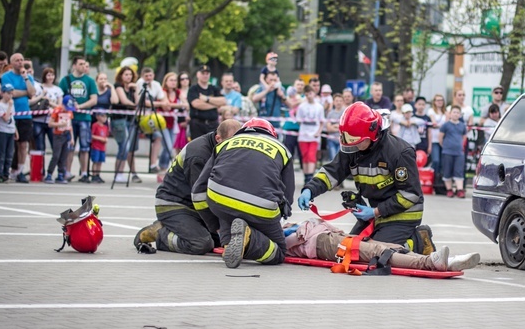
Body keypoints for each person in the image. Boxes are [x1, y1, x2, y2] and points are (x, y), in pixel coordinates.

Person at [298, 102, 428, 250]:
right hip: (377, 213)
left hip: (403, 214)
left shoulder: (399, 152)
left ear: (372, 135)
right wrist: (310, 189)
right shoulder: (354, 145)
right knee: (349, 247)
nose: (350, 145)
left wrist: (375, 212)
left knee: (374, 252)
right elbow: (332, 172)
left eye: (355, 141)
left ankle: (418, 241)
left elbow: (410, 194)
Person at [192, 118, 295, 268]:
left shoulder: (225, 144)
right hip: (261, 206)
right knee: (279, 252)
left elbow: (198, 192)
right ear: (272, 135)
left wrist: (215, 226)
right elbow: (287, 197)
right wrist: (272, 222)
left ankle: (229, 242)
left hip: (221, 200)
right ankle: (250, 238)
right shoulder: (282, 149)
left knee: (227, 208)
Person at [133, 119, 243, 255]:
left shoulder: (220, 147)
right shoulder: (198, 155)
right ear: (218, 138)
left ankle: (182, 229)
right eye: (230, 144)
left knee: (223, 240)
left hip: (193, 205)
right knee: (201, 244)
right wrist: (219, 228)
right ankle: (160, 234)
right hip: (174, 204)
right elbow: (201, 196)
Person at [285, 217, 481, 271]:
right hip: (322, 244)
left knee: (390, 246)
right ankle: (428, 264)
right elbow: (286, 243)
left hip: (337, 238)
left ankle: (444, 261)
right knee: (379, 251)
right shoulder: (280, 232)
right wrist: (300, 231)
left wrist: (308, 223)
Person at [59, 56, 98, 182]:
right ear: (74, 65)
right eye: (80, 64)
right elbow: (60, 97)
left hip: (84, 117)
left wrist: (79, 106)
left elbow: (94, 99)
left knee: (85, 147)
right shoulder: (66, 80)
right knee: (70, 146)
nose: (83, 66)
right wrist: (67, 107)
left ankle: (84, 173)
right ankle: (67, 172)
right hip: (69, 118)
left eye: (84, 64)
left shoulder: (90, 81)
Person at [1, 53, 35, 183]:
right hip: (11, 114)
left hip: (25, 114)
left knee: (23, 144)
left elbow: (32, 93)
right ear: (11, 62)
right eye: (17, 60)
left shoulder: (28, 77)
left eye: (21, 60)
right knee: (11, 145)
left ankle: (20, 171)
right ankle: (7, 170)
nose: (20, 62)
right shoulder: (7, 76)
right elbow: (11, 93)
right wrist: (24, 92)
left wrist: (25, 78)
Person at [136, 67, 170, 173]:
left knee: (158, 137)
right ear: (142, 76)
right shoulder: (140, 83)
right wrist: (160, 103)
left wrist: (164, 102)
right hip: (141, 115)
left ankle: (153, 163)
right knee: (132, 145)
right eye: (146, 76)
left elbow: (163, 98)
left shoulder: (156, 84)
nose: (148, 78)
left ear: (153, 75)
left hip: (151, 115)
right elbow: (143, 102)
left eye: (150, 75)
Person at [111, 66, 140, 183]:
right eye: (126, 74)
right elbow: (124, 101)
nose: (129, 77)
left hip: (131, 120)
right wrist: (134, 105)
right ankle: (118, 173)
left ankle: (122, 173)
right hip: (119, 120)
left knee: (128, 147)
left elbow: (138, 102)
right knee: (124, 146)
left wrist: (136, 89)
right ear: (121, 76)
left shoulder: (133, 88)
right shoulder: (118, 86)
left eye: (130, 75)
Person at [44, 95, 76, 184]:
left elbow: (70, 126)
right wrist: (59, 125)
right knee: (56, 155)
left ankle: (61, 174)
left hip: (66, 135)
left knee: (64, 156)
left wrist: (72, 137)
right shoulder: (57, 111)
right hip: (58, 136)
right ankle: (49, 174)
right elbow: (50, 124)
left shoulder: (70, 112)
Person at [187, 64, 225, 139]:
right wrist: (215, 104)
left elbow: (223, 101)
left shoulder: (214, 88)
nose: (205, 75)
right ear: (198, 74)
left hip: (212, 124)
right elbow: (197, 104)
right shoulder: (193, 89)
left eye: (207, 73)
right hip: (198, 124)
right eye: (203, 73)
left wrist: (207, 99)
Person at [296, 84, 324, 183]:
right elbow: (298, 120)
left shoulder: (319, 107)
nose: (309, 96)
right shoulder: (302, 107)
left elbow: (322, 122)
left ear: (314, 93)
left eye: (310, 93)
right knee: (305, 156)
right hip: (303, 135)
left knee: (312, 155)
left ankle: (310, 177)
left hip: (314, 136)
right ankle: (306, 175)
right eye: (306, 94)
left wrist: (318, 132)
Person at [439, 105, 468, 198]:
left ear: (460, 115)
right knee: (447, 171)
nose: (456, 114)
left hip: (459, 152)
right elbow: (440, 138)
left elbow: (464, 137)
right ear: (450, 114)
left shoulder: (462, 126)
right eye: (454, 112)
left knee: (459, 171)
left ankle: (459, 190)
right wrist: (445, 146)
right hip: (447, 152)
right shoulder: (445, 125)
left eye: (457, 112)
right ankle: (449, 189)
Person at [160, 72, 184, 170]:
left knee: (170, 147)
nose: (173, 82)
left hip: (173, 123)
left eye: (175, 80)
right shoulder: (163, 91)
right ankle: (163, 166)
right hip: (163, 122)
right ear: (166, 81)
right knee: (168, 146)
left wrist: (176, 105)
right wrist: (179, 105)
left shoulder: (178, 92)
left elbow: (185, 104)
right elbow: (166, 106)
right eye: (171, 80)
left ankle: (163, 166)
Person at [36, 67, 64, 153]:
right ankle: (41, 166)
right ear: (44, 76)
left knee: (55, 145)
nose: (51, 77)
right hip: (39, 119)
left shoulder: (57, 90)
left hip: (52, 119)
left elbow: (60, 106)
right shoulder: (39, 87)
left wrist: (50, 102)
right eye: (48, 75)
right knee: (40, 146)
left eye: (52, 75)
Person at [0, 84, 17, 183]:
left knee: (9, 154)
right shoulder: (0, 105)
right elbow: (6, 118)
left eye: (11, 94)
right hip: (2, 131)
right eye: (8, 93)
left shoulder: (11, 104)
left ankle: (6, 174)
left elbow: (12, 119)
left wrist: (16, 130)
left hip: (11, 131)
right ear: (2, 93)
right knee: (2, 154)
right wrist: (9, 107)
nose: (10, 96)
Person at [427, 94, 447, 174]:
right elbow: (434, 123)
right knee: (436, 160)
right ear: (434, 102)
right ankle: (433, 177)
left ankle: (439, 181)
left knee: (443, 162)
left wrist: (439, 126)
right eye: (438, 100)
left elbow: (446, 126)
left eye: (441, 100)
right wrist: (441, 125)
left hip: (443, 140)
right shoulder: (431, 111)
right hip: (434, 140)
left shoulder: (446, 112)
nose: (440, 102)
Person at [89, 112, 109, 183]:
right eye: (102, 116)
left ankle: (98, 174)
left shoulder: (105, 127)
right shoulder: (95, 125)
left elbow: (106, 136)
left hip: (102, 147)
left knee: (100, 162)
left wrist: (105, 139)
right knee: (95, 161)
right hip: (96, 146)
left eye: (105, 116)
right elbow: (91, 135)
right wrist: (100, 138)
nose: (104, 118)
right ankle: (94, 175)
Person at [325, 93, 344, 161]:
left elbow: (345, 127)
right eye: (337, 101)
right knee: (333, 159)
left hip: (342, 140)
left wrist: (334, 126)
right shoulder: (330, 113)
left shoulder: (345, 112)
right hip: (331, 140)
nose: (338, 102)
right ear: (333, 102)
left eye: (340, 101)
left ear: (343, 102)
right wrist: (339, 127)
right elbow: (328, 128)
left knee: (340, 159)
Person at [175, 71, 191, 151]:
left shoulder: (193, 91)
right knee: (177, 145)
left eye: (186, 78)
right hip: (178, 121)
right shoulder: (176, 92)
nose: (185, 80)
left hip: (190, 121)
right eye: (182, 79)